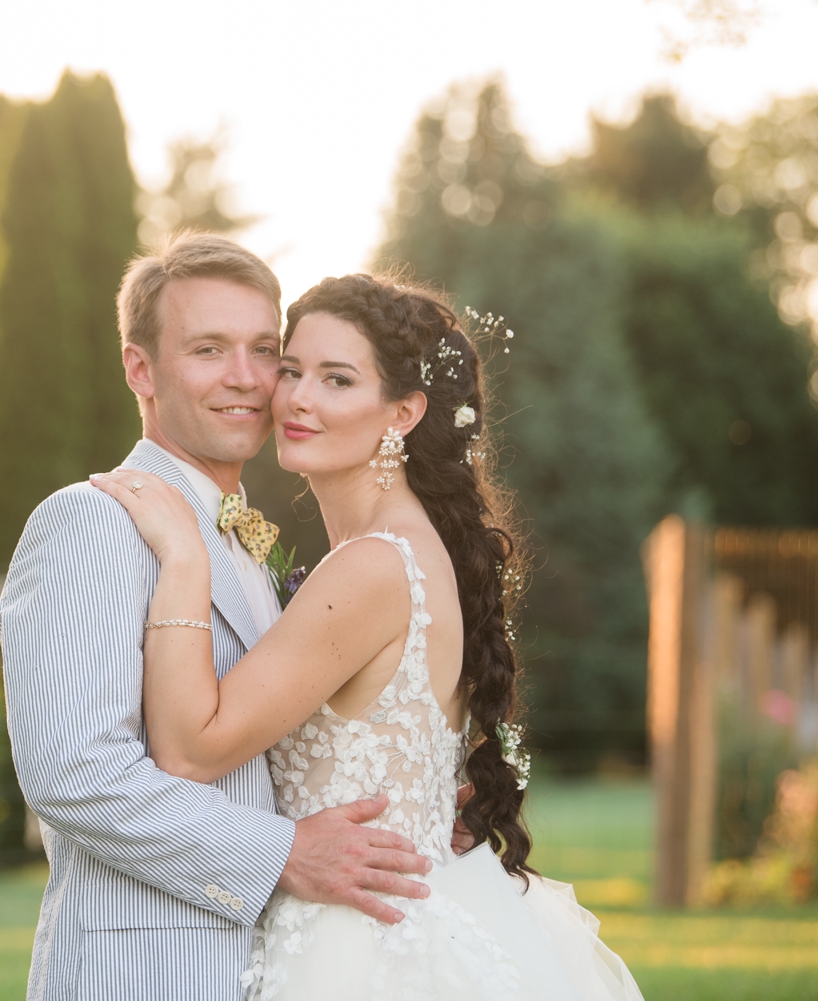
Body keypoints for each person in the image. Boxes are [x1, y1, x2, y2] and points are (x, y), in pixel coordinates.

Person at [90, 273, 643, 1000]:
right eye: (291, 369)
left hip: (353, 948)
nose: (296, 398)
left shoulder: (373, 565)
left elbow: (191, 749)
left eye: (337, 379)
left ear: (404, 411)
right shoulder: (400, 549)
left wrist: (186, 557)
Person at [0, 236, 450, 1001]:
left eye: (263, 350)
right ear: (140, 368)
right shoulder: (92, 523)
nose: (246, 378)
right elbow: (72, 771)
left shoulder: (249, 540)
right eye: (208, 349)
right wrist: (282, 853)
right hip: (141, 976)